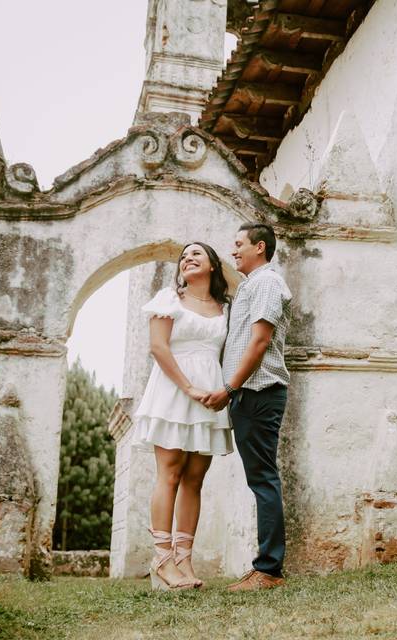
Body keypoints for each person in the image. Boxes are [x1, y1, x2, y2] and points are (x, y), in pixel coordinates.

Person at [132, 241, 233, 591]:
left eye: (196, 255)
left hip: (210, 394)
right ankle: (161, 560)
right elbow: (158, 347)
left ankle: (184, 558)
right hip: (174, 390)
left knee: (195, 477)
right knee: (170, 472)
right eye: (184, 256)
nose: (187, 259)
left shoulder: (225, 308)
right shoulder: (168, 298)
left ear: (212, 266)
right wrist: (188, 388)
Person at [203, 222, 292, 591]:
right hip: (249, 393)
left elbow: (259, 341)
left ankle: (269, 570)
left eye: (239, 244)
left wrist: (229, 388)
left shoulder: (268, 283)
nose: (233, 250)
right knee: (260, 478)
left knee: (263, 479)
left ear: (260, 247)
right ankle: (265, 567)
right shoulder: (251, 286)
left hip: (258, 390)